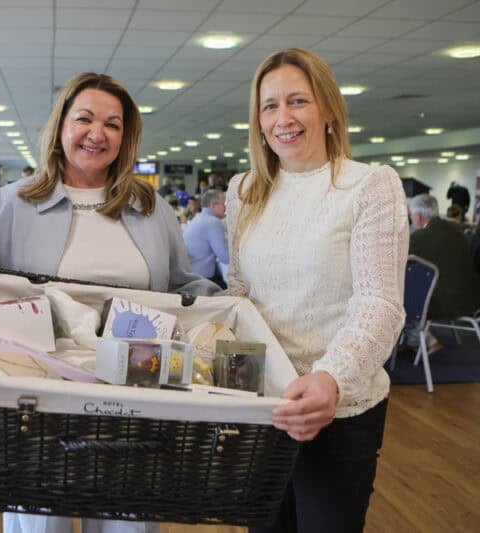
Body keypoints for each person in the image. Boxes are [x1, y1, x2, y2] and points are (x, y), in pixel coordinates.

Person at [0, 71, 219, 533]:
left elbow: (183, 285)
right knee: (42, 521)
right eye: (85, 119)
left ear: (126, 136)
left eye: (113, 124)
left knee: (128, 520)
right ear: (60, 127)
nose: (98, 134)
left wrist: (243, 310)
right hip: (38, 402)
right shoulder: (8, 204)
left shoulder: (149, 207)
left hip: (134, 398)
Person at [225, 48, 408, 532]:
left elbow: (380, 304)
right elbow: (241, 294)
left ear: (327, 109)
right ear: (258, 121)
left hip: (339, 406)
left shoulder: (369, 186)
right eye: (269, 106)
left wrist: (329, 379)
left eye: (298, 101)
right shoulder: (244, 192)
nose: (283, 118)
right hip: (264, 404)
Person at [409, 194, 480, 321]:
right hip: (470, 304)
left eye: (411, 215)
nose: (410, 218)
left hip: (442, 311)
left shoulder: (418, 237)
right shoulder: (458, 231)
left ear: (418, 216)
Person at [184, 189, 229, 288]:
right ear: (213, 205)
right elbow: (225, 257)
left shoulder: (199, 217)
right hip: (201, 279)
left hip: (190, 275)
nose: (226, 207)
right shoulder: (213, 222)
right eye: (224, 203)